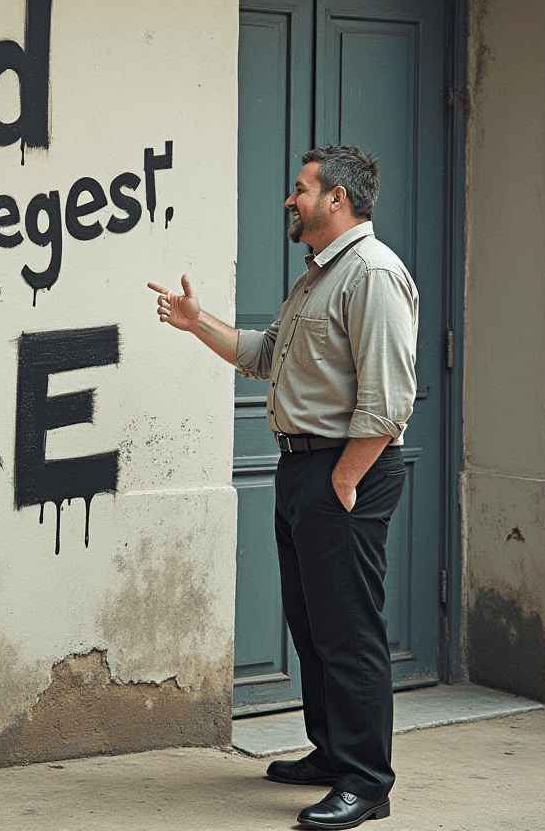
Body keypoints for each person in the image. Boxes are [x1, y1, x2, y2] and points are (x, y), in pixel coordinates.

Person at [148, 145, 418, 830]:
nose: (290, 200)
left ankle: (366, 782)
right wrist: (195, 321)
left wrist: (344, 483)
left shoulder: (373, 276)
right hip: (304, 468)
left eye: (301, 190)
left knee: (350, 633)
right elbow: (265, 356)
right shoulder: (319, 278)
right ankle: (331, 753)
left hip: (342, 469)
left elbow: (388, 405)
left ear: (337, 200)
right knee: (315, 626)